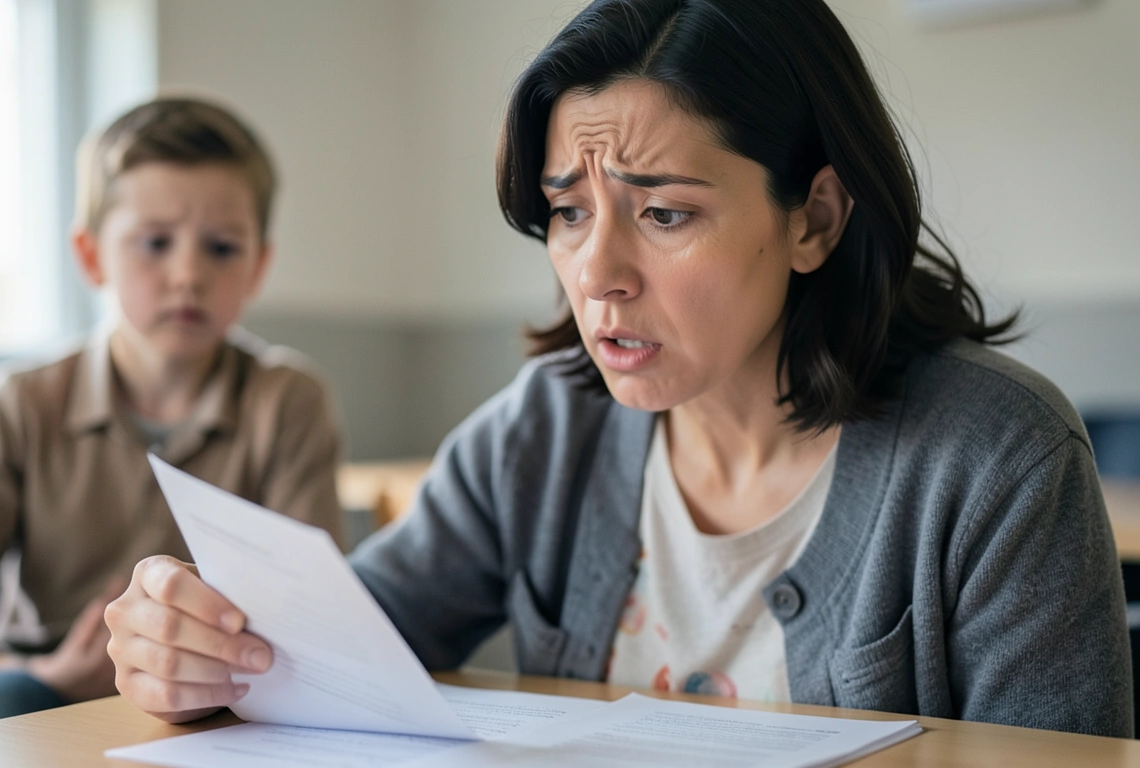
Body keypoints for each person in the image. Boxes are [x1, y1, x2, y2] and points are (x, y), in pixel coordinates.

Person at [103, 0, 1132, 737]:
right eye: (567, 212)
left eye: (666, 213)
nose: (597, 275)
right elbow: (331, 654)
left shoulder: (997, 456)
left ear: (814, 216)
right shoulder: (546, 427)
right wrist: (200, 648)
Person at [0, 96, 345, 731]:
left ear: (258, 266)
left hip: (218, 714)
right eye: (154, 243)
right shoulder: (24, 399)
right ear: (91, 255)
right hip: (42, 702)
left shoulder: (290, 400)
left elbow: (314, 610)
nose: (187, 274)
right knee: (0, 708)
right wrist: (3, 674)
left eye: (221, 247)